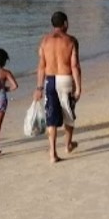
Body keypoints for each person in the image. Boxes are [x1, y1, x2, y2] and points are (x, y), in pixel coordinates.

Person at [34, 11, 82, 163]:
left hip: (49, 80)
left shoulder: (44, 41)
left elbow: (41, 66)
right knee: (68, 114)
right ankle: (68, 145)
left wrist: (39, 87)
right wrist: (78, 87)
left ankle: (52, 153)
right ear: (65, 23)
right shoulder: (71, 41)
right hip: (65, 78)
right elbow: (75, 66)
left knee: (51, 117)